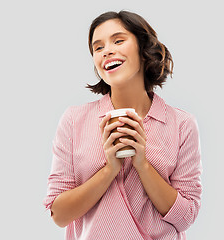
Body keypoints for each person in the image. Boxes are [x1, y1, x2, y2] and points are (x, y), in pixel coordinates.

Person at [43, 10, 202, 240]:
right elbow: (59, 214)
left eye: (118, 40)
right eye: (98, 47)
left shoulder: (181, 124)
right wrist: (109, 169)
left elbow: (186, 217)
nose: (107, 50)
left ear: (143, 49)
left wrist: (143, 164)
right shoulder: (74, 120)